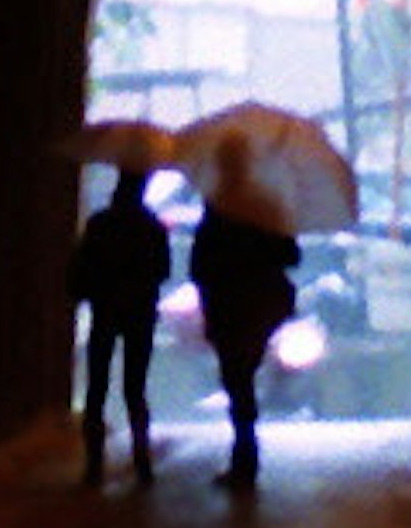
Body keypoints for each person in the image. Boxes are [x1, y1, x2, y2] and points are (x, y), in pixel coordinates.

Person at [188, 193, 300, 487]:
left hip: (227, 305)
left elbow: (199, 267)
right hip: (263, 303)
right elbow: (291, 255)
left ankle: (245, 447)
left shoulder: (215, 212)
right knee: (244, 370)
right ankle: (246, 447)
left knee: (235, 375)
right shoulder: (267, 209)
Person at [71, 169, 170, 482]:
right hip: (140, 312)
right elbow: (163, 270)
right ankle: (141, 460)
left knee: (96, 386)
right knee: (135, 387)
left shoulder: (99, 223)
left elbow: (81, 266)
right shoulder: (152, 226)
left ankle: (94, 464)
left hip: (105, 309)